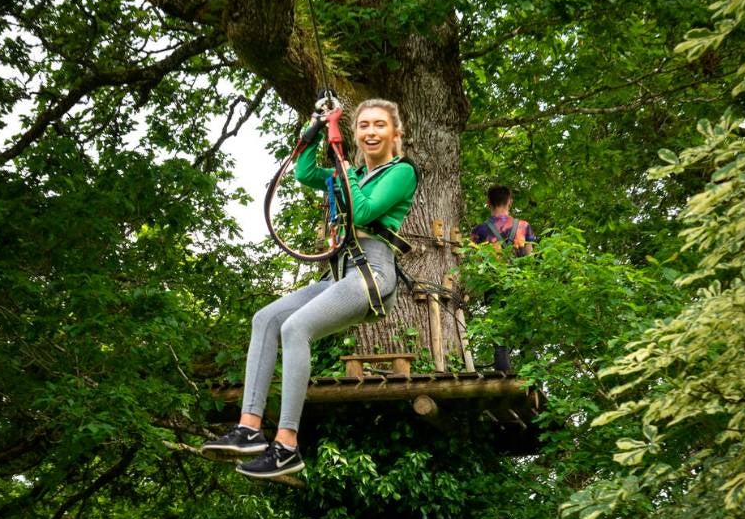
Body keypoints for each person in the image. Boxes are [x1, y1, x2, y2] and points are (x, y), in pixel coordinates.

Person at [204, 99, 417, 478]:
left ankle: (286, 445)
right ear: (355, 133)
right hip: (339, 272)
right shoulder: (349, 173)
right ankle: (249, 429)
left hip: (372, 272)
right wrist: (316, 128)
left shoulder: (402, 172)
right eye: (363, 125)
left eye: (379, 125)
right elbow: (304, 173)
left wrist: (345, 167)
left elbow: (363, 212)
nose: (370, 132)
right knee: (266, 319)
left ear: (395, 134)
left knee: (295, 328)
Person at [470, 184, 537, 371]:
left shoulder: (480, 230)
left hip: (494, 285)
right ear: (510, 201)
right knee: (526, 332)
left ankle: (503, 374)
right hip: (521, 285)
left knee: (499, 335)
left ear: (488, 203)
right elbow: (529, 259)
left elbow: (476, 262)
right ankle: (533, 375)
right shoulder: (523, 226)